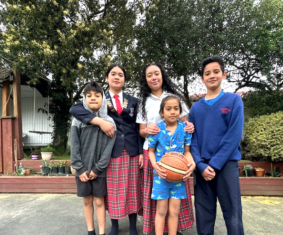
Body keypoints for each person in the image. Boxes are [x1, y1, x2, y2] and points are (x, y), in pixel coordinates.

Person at [70, 64, 143, 235]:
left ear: (124, 79)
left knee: (132, 188)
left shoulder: (133, 100)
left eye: (120, 74)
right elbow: (74, 109)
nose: (117, 77)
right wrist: (100, 122)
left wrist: (140, 151)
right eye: (113, 74)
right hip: (111, 149)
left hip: (131, 148)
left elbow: (138, 126)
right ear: (107, 78)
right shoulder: (100, 98)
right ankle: (115, 225)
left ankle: (133, 226)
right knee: (113, 190)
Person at [136, 62, 195, 235]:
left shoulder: (175, 97)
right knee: (158, 204)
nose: (154, 77)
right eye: (149, 75)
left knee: (175, 206)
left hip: (177, 158)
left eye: (157, 73)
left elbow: (185, 124)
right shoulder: (143, 102)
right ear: (145, 79)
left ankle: (174, 231)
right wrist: (147, 130)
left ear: (162, 75)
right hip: (155, 155)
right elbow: (141, 132)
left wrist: (189, 127)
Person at [189, 56, 244, 235]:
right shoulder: (195, 109)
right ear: (202, 79)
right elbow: (192, 140)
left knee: (233, 214)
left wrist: (214, 164)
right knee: (204, 215)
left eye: (216, 71)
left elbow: (234, 135)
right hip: (202, 168)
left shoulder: (234, 100)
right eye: (207, 73)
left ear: (223, 74)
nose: (211, 75)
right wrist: (200, 165)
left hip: (226, 165)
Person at [71, 81, 117, 235]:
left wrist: (98, 168)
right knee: (87, 200)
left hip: (99, 171)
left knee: (99, 201)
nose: (93, 98)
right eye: (89, 95)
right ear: (84, 99)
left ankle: (102, 231)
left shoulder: (110, 124)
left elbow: (108, 149)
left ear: (103, 99)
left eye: (97, 95)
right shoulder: (77, 121)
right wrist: (79, 167)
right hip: (82, 170)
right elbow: (74, 146)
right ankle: (91, 231)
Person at [148, 95, 195, 235]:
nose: (173, 112)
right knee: (161, 211)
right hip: (160, 177)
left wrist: (192, 164)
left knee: (174, 211)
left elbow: (187, 152)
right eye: (168, 109)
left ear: (180, 111)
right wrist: (155, 166)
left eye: (176, 108)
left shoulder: (185, 129)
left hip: (178, 179)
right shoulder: (156, 129)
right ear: (162, 112)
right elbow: (151, 152)